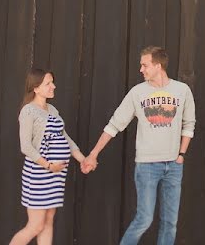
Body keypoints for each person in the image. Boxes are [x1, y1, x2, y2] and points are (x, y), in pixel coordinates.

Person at [81, 47, 196, 245]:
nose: (141, 69)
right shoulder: (137, 92)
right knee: (144, 219)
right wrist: (93, 154)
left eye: (145, 65)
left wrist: (181, 155)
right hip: (147, 166)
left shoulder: (182, 90)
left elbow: (189, 124)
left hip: (174, 165)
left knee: (170, 222)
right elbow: (114, 124)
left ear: (158, 66)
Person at [9, 68, 87, 245]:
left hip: (55, 176)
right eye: (48, 83)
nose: (53, 86)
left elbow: (64, 138)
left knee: (48, 222)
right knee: (35, 225)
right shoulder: (28, 111)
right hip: (38, 174)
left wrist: (82, 159)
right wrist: (49, 165)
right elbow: (26, 146)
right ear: (35, 88)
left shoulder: (52, 109)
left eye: (52, 82)